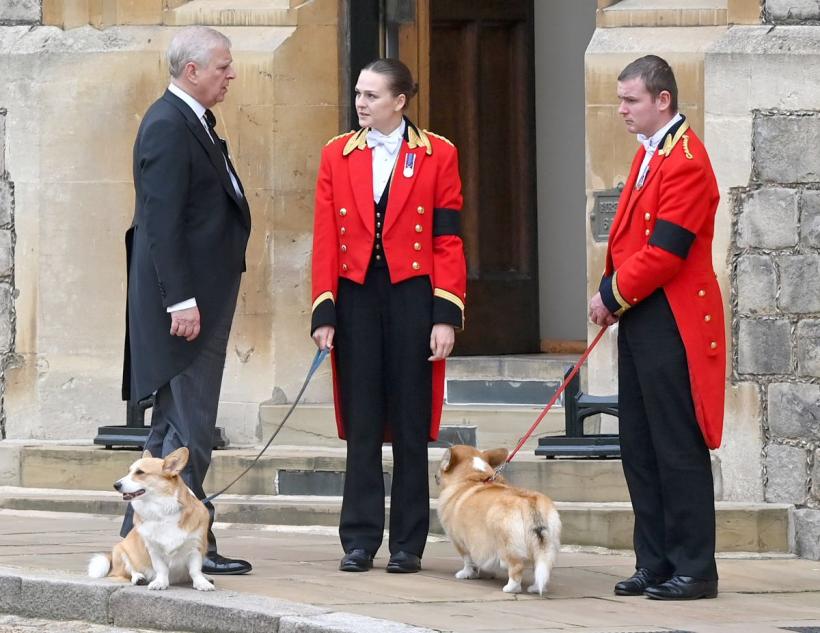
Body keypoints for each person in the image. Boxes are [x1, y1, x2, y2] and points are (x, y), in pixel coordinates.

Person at [310, 59, 467, 573]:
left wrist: (445, 315)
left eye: (372, 95)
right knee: (361, 420)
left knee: (409, 421)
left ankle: (407, 544)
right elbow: (325, 241)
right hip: (355, 297)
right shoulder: (337, 153)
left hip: (413, 299)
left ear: (400, 101)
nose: (361, 103)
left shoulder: (438, 152)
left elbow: (447, 238)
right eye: (358, 93)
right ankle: (358, 539)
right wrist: (324, 310)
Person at [588, 55, 725, 600]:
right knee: (639, 445)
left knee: (675, 445)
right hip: (645, 312)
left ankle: (695, 567)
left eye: (631, 100)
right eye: (621, 99)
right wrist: (618, 297)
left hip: (673, 316)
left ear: (662, 100)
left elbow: (667, 252)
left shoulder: (686, 159)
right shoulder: (652, 154)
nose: (621, 109)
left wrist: (609, 295)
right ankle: (656, 561)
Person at [120, 26, 252, 575]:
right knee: (187, 431)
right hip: (186, 309)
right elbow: (160, 225)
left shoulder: (191, 120)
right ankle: (191, 544)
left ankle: (140, 545)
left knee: (174, 432)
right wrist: (181, 302)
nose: (231, 75)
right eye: (223, 66)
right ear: (192, 70)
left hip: (200, 302)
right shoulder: (169, 126)